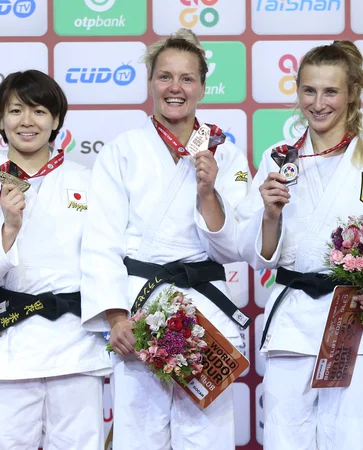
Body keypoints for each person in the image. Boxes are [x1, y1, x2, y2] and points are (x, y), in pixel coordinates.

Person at [237, 40, 363, 450]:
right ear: (297, 93)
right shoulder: (278, 160)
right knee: (285, 436)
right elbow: (256, 249)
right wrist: (270, 214)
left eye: (330, 91)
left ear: (352, 95)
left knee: (353, 438)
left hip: (355, 322)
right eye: (309, 90)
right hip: (293, 321)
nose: (318, 102)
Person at [80, 28, 252, 449]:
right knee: (139, 437)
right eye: (165, 77)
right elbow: (101, 240)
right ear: (151, 82)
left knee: (207, 437)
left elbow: (235, 248)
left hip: (207, 307)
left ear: (203, 87)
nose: (175, 88)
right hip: (140, 309)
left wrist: (208, 193)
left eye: (187, 78)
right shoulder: (123, 150)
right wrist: (116, 318)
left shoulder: (224, 153)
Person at [0, 69, 111, 450]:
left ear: (56, 121)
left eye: (39, 111)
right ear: (0, 120)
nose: (27, 121)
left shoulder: (87, 181)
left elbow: (108, 259)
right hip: (10, 342)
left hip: (76, 345)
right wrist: (7, 229)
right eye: (16, 110)